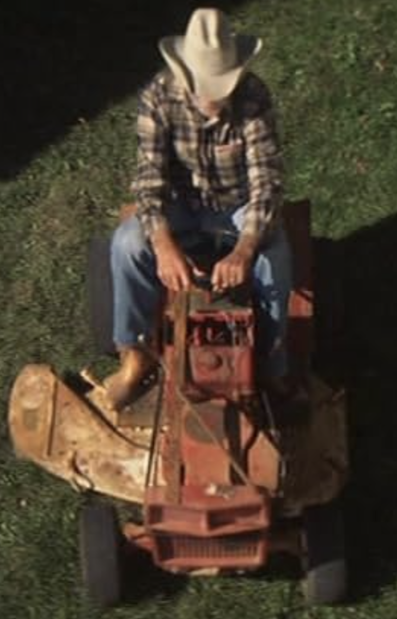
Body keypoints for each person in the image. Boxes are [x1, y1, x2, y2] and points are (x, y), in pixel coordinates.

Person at [105, 8, 291, 409]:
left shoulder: (254, 98)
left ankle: (272, 366)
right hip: (182, 207)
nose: (215, 97)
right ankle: (134, 354)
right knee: (126, 244)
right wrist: (163, 244)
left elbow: (267, 182)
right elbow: (149, 179)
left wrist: (244, 249)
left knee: (274, 257)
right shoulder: (157, 98)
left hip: (238, 206)